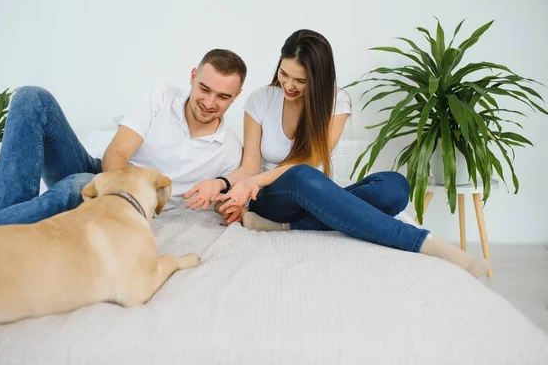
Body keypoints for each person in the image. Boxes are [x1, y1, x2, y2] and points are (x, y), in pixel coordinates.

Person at [185, 29, 489, 277]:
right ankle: (425, 243)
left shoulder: (336, 102)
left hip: (312, 195)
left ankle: (286, 228)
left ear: (318, 78)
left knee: (394, 188)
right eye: (284, 74)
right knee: (300, 175)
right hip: (269, 197)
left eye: (300, 80)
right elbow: (251, 165)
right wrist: (232, 185)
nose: (288, 85)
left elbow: (309, 158)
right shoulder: (261, 99)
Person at [0, 49, 246, 229]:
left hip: (135, 207)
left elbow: (227, 198)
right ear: (193, 77)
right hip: (104, 172)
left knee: (78, 185)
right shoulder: (162, 96)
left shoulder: (230, 150)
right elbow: (114, 156)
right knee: (32, 97)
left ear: (236, 96)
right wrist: (111, 185)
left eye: (223, 97)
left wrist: (229, 207)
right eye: (204, 89)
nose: (209, 102)